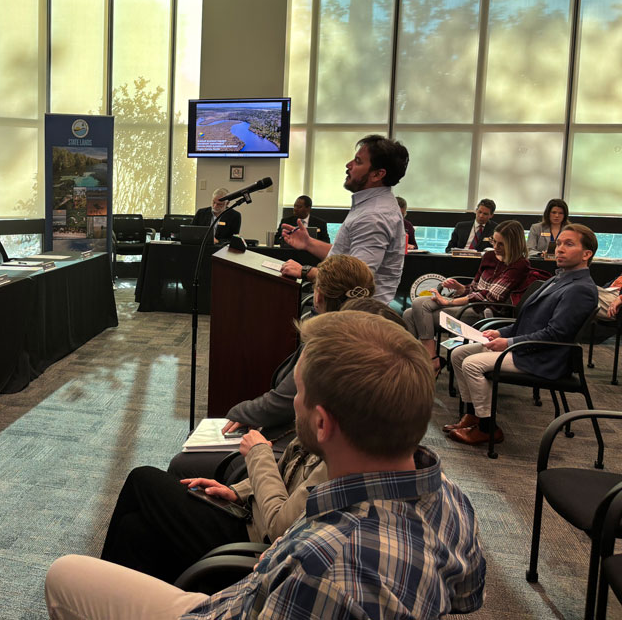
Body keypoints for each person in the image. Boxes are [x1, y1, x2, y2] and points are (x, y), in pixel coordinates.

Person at [46, 311, 486, 620]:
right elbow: (466, 597)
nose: (290, 402)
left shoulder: (326, 564)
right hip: (263, 575)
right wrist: (241, 495)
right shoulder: (454, 501)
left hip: (231, 603)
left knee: (64, 574)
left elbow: (277, 551)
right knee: (136, 534)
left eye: (298, 392)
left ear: (321, 422)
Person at [166, 255, 376, 480]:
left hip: (298, 450)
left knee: (182, 463)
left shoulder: (325, 344)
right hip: (332, 448)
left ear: (319, 296)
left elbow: (281, 403)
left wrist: (238, 412)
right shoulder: (373, 336)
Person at [446, 223, 599, 447]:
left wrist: (509, 342)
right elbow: (529, 322)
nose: (560, 249)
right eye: (559, 244)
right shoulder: (560, 278)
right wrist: (499, 331)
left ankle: (488, 429)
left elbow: (555, 335)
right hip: (530, 346)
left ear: (587, 254)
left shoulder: (581, 288)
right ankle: (473, 416)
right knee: (459, 354)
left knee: (472, 364)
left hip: (544, 356)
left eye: (569, 244)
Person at [279, 134, 408, 303]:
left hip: (353, 316)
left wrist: (305, 271)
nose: (348, 165)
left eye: (358, 161)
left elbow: (355, 281)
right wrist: (309, 243)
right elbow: (346, 259)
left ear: (377, 174)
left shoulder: (374, 216)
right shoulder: (370, 206)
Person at [405, 220, 531, 372]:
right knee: (414, 308)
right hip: (469, 305)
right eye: (494, 242)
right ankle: (425, 358)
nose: (495, 247)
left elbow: (491, 297)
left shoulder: (520, 265)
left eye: (501, 244)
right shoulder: (489, 256)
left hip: (484, 312)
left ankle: (421, 361)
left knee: (412, 314)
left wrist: (450, 302)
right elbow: (475, 287)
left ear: (513, 245)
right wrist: (459, 288)